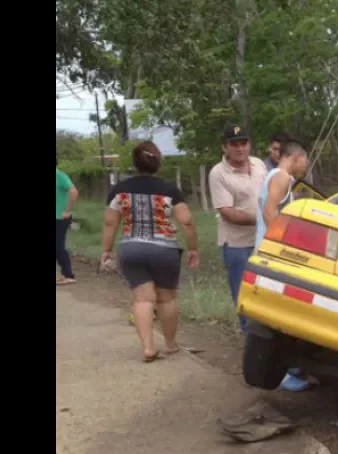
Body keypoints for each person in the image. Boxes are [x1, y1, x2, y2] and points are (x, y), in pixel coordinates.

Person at [100, 141, 200, 362]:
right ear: (158, 163)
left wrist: (106, 250)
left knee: (142, 300)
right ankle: (170, 345)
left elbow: (110, 223)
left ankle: (147, 348)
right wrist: (193, 248)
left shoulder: (119, 190)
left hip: (131, 249)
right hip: (165, 251)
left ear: (134, 164)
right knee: (166, 299)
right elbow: (187, 222)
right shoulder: (170, 190)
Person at [257, 132, 311, 392]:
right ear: (297, 157)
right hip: (271, 255)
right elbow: (270, 212)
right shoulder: (281, 177)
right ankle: (279, 373)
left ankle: (288, 367)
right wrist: (281, 247)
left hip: (269, 252)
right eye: (305, 161)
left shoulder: (279, 177)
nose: (306, 166)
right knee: (276, 313)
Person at [208, 124, 267, 334]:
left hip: (265, 241)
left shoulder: (259, 164)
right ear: (225, 147)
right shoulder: (218, 173)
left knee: (267, 293)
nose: (240, 149)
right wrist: (263, 220)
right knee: (244, 294)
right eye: (234, 145)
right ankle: (251, 340)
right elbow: (227, 212)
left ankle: (270, 342)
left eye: (244, 143)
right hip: (237, 245)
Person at [56, 157, 79, 285]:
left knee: (58, 246)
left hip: (61, 217)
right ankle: (63, 273)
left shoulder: (60, 176)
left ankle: (68, 275)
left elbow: (73, 192)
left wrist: (68, 210)